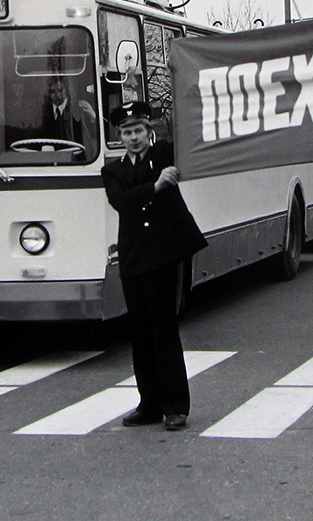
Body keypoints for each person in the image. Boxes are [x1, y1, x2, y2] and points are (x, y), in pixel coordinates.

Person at [101, 101, 207, 432]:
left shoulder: (165, 155)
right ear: (119, 137)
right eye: (127, 132)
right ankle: (149, 404)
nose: (133, 137)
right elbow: (121, 202)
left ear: (150, 132)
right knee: (141, 333)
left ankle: (175, 406)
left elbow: (191, 140)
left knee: (164, 329)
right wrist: (156, 186)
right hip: (134, 258)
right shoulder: (113, 171)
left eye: (139, 131)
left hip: (164, 254)